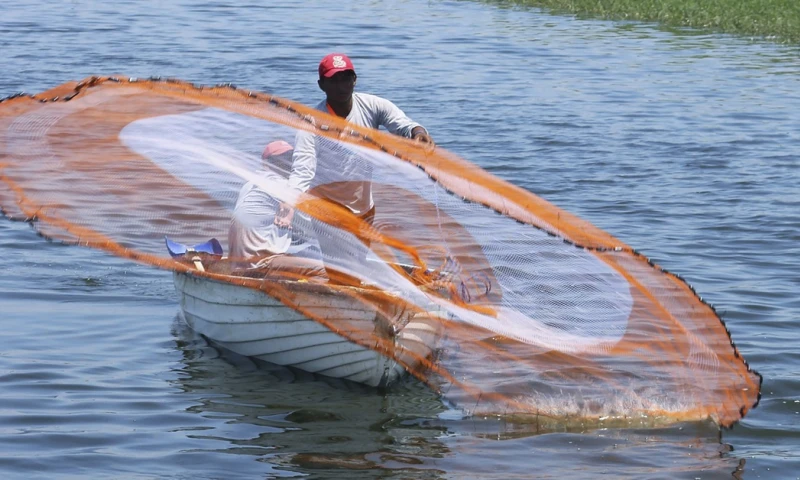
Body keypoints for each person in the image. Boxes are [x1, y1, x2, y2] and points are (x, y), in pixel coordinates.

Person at [275, 53, 433, 275]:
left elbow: (403, 124)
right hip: (328, 209)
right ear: (322, 85)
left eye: (346, 78)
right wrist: (289, 201)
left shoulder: (372, 105)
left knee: (356, 267)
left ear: (355, 79)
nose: (342, 86)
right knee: (341, 271)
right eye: (334, 80)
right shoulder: (310, 122)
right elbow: (303, 169)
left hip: (364, 208)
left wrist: (418, 132)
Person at [228, 140, 325, 280]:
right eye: (280, 160)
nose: (287, 164)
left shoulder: (249, 185)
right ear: (266, 164)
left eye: (289, 159)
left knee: (304, 253)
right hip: (259, 265)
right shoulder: (281, 186)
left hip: (239, 265)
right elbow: (317, 221)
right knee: (323, 270)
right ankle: (308, 301)